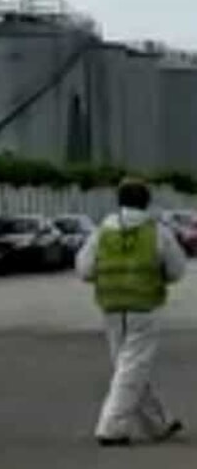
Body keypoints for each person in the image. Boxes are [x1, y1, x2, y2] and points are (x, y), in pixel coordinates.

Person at [76, 178, 188, 447]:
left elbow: (85, 269)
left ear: (119, 201)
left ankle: (159, 423)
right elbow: (176, 270)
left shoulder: (102, 231)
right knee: (132, 367)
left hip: (111, 307)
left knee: (126, 366)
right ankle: (111, 427)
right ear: (147, 202)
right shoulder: (157, 232)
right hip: (144, 307)